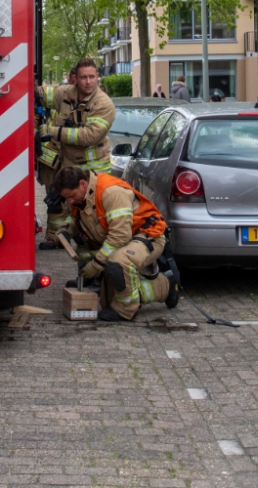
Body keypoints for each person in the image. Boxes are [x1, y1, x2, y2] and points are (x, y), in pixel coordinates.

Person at [51, 166, 179, 321]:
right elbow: (79, 218)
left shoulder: (111, 192)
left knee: (118, 262)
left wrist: (96, 265)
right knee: (110, 299)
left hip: (148, 237)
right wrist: (66, 230)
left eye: (71, 196)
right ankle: (166, 286)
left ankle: (125, 311)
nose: (70, 201)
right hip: (126, 239)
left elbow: (119, 237)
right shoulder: (82, 195)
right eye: (66, 198)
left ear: (83, 184)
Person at [37, 59, 117, 250]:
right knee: (58, 199)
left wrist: (53, 131)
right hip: (69, 162)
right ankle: (55, 240)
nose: (88, 81)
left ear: (97, 76)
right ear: (75, 79)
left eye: (91, 77)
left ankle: (95, 244)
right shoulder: (65, 94)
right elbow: (39, 94)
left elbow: (89, 136)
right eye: (83, 77)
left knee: (93, 209)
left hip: (94, 168)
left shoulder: (104, 104)